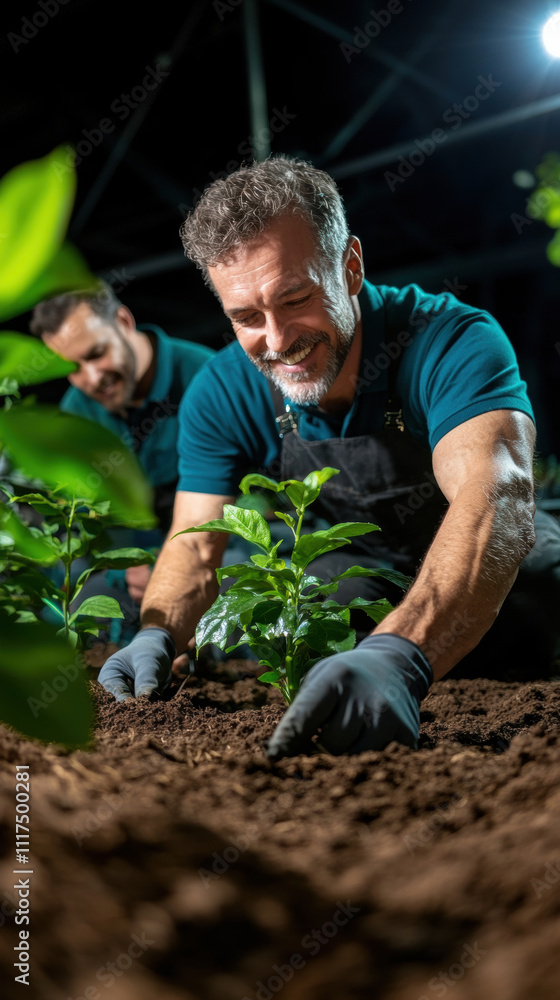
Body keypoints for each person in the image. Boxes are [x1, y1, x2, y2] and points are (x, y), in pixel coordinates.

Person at [97, 156, 560, 757]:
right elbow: (195, 537)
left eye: (294, 299)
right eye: (245, 318)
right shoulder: (223, 389)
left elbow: (495, 495)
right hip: (358, 572)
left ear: (350, 268)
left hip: (495, 556)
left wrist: (404, 652)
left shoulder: (450, 340)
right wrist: (157, 630)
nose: (278, 339)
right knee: (308, 614)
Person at [29, 283, 215, 636]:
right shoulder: (76, 412)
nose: (92, 379)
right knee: (70, 618)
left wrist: (171, 567)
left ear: (124, 320)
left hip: (212, 556)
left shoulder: (204, 378)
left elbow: (253, 500)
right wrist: (125, 570)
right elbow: (87, 523)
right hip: (128, 573)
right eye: (73, 367)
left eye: (97, 353)